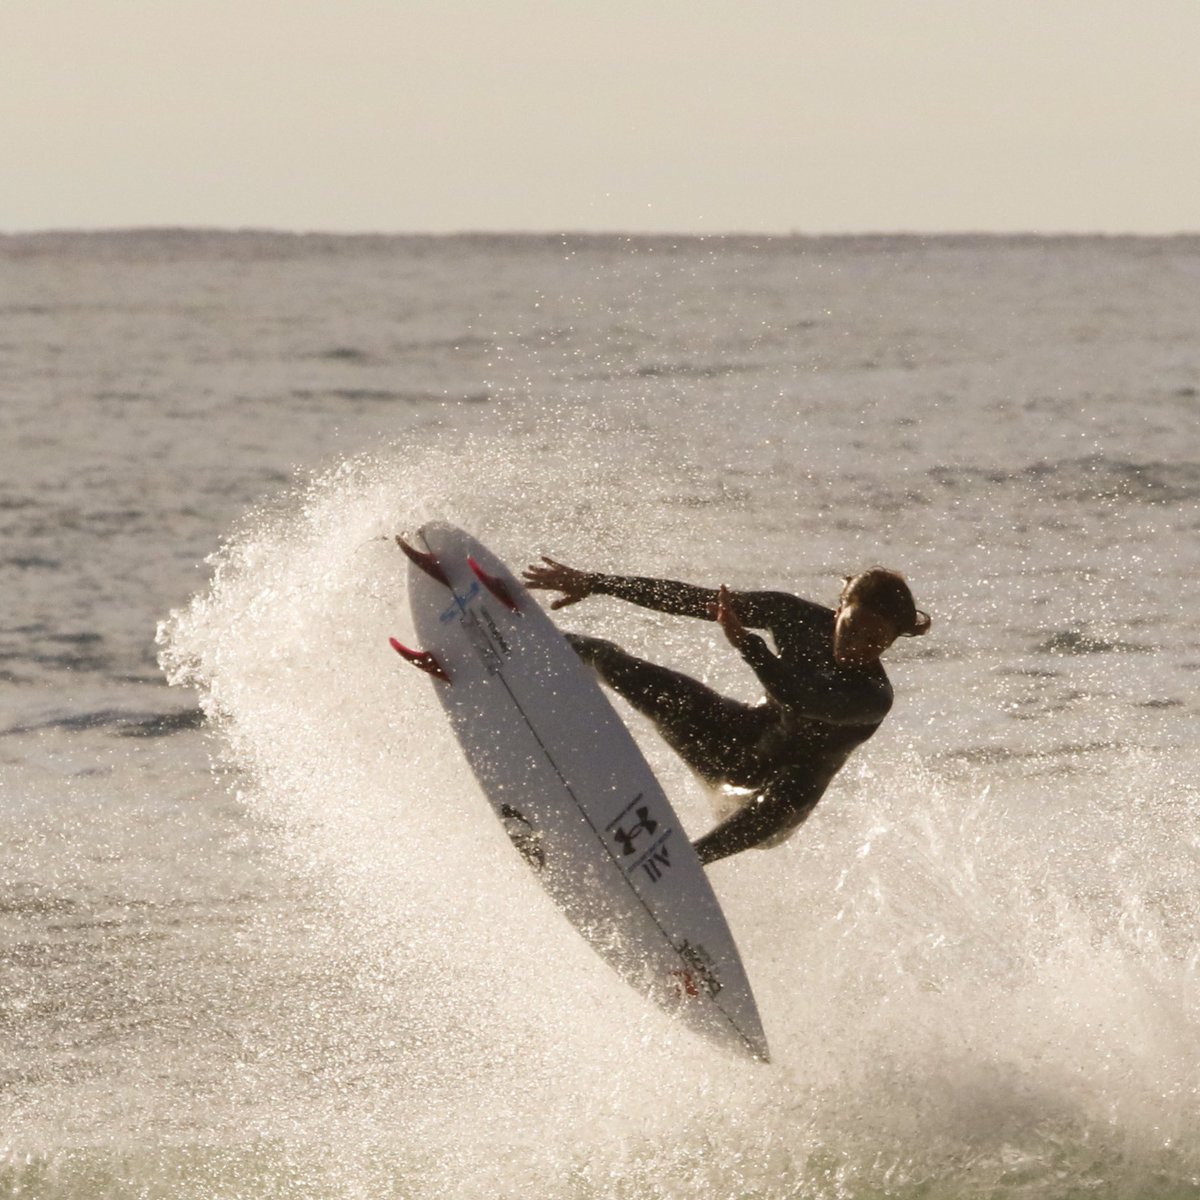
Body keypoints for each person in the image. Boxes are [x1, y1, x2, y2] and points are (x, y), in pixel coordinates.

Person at [521, 557, 930, 865]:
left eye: (875, 640)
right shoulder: (796, 617)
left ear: (893, 642)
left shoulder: (873, 697)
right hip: (732, 746)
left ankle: (680, 864)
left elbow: (802, 698)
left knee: (788, 794)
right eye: (853, 627)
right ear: (839, 609)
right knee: (608, 659)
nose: (857, 645)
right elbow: (694, 601)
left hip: (767, 805)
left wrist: (748, 646)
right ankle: (517, 643)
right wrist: (595, 583)